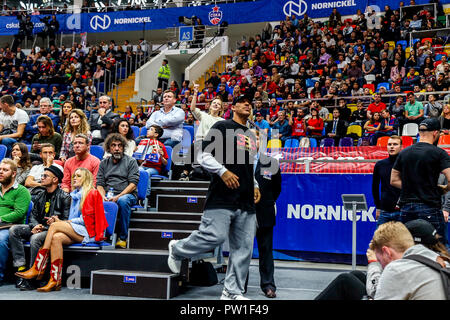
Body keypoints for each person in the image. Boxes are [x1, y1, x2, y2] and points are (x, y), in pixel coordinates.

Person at [167, 95, 261, 300]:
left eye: (250, 102)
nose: (248, 104)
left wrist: (254, 184)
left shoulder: (252, 135)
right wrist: (222, 171)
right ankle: (178, 248)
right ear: (233, 107)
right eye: (243, 101)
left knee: (243, 248)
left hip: (245, 198)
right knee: (214, 237)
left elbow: (248, 166)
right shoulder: (222, 126)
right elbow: (202, 155)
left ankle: (231, 291)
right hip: (222, 195)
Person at [15, 168, 108, 292]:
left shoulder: (92, 193)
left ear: (85, 179)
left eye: (78, 176)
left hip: (88, 231)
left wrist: (63, 223)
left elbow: (86, 221)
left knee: (54, 227)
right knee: (56, 238)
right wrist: (58, 220)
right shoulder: (75, 194)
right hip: (77, 230)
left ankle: (38, 266)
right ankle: (55, 280)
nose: (74, 178)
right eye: (74, 175)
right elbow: (71, 219)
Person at [315, 219, 450, 300]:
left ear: (386, 251)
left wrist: (374, 264)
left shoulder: (400, 268)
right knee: (354, 275)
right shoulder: (438, 258)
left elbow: (376, 290)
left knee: (345, 280)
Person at [9, 164, 70, 290]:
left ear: (55, 180)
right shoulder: (40, 195)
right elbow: (33, 215)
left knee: (35, 238)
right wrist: (35, 225)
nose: (41, 178)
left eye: (45, 176)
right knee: (14, 230)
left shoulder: (65, 197)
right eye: (42, 175)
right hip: (39, 227)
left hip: (52, 231)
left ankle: (34, 277)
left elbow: (66, 221)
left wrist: (47, 227)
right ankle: (20, 266)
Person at [391, 118, 450, 244]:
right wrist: (445, 188)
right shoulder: (439, 153)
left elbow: (393, 180)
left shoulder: (404, 152)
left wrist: (411, 186)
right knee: (438, 248)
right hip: (429, 206)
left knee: (407, 247)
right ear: (435, 133)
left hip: (406, 208)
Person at [250, 129, 281, 298]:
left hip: (265, 212)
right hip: (244, 212)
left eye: (258, 139)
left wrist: (266, 202)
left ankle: (268, 285)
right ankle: (239, 285)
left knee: (266, 250)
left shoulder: (271, 163)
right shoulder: (239, 162)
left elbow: (277, 189)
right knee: (242, 251)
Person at [96, 133, 140, 249]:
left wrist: (118, 196)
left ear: (123, 147)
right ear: (109, 148)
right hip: (108, 193)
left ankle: (122, 237)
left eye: (120, 146)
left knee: (123, 201)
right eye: (113, 145)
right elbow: (100, 184)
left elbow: (133, 184)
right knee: (92, 197)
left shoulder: (131, 161)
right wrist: (102, 196)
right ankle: (97, 235)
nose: (116, 148)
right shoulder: (103, 163)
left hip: (127, 194)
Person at [179, 83, 224, 181]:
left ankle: (196, 171)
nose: (216, 104)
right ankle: (185, 173)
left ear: (221, 108)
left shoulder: (222, 121)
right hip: (200, 143)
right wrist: (195, 93)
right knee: (193, 146)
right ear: (210, 106)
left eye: (218, 104)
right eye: (214, 103)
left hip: (213, 145)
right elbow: (192, 108)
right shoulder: (204, 115)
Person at [0, 159, 31, 285]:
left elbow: (19, 213)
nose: (1, 172)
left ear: (13, 173)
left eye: (5, 170)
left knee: (0, 240)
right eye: (0, 169)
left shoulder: (22, 191)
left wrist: (1, 219)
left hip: (10, 227)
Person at [372, 136, 402, 228]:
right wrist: (378, 207)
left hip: (402, 211)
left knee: (402, 241)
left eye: (395, 144)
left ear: (401, 147)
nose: (392, 147)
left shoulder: (406, 163)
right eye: (389, 144)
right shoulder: (380, 165)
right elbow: (375, 187)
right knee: (379, 241)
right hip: (384, 211)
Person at [140, 125, 168, 198]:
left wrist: (161, 156)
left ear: (156, 134)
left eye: (151, 129)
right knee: (138, 170)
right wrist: (138, 153)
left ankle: (146, 196)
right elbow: (140, 161)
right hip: (144, 166)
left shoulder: (161, 145)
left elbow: (165, 163)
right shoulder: (143, 143)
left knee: (146, 173)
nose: (147, 131)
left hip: (155, 168)